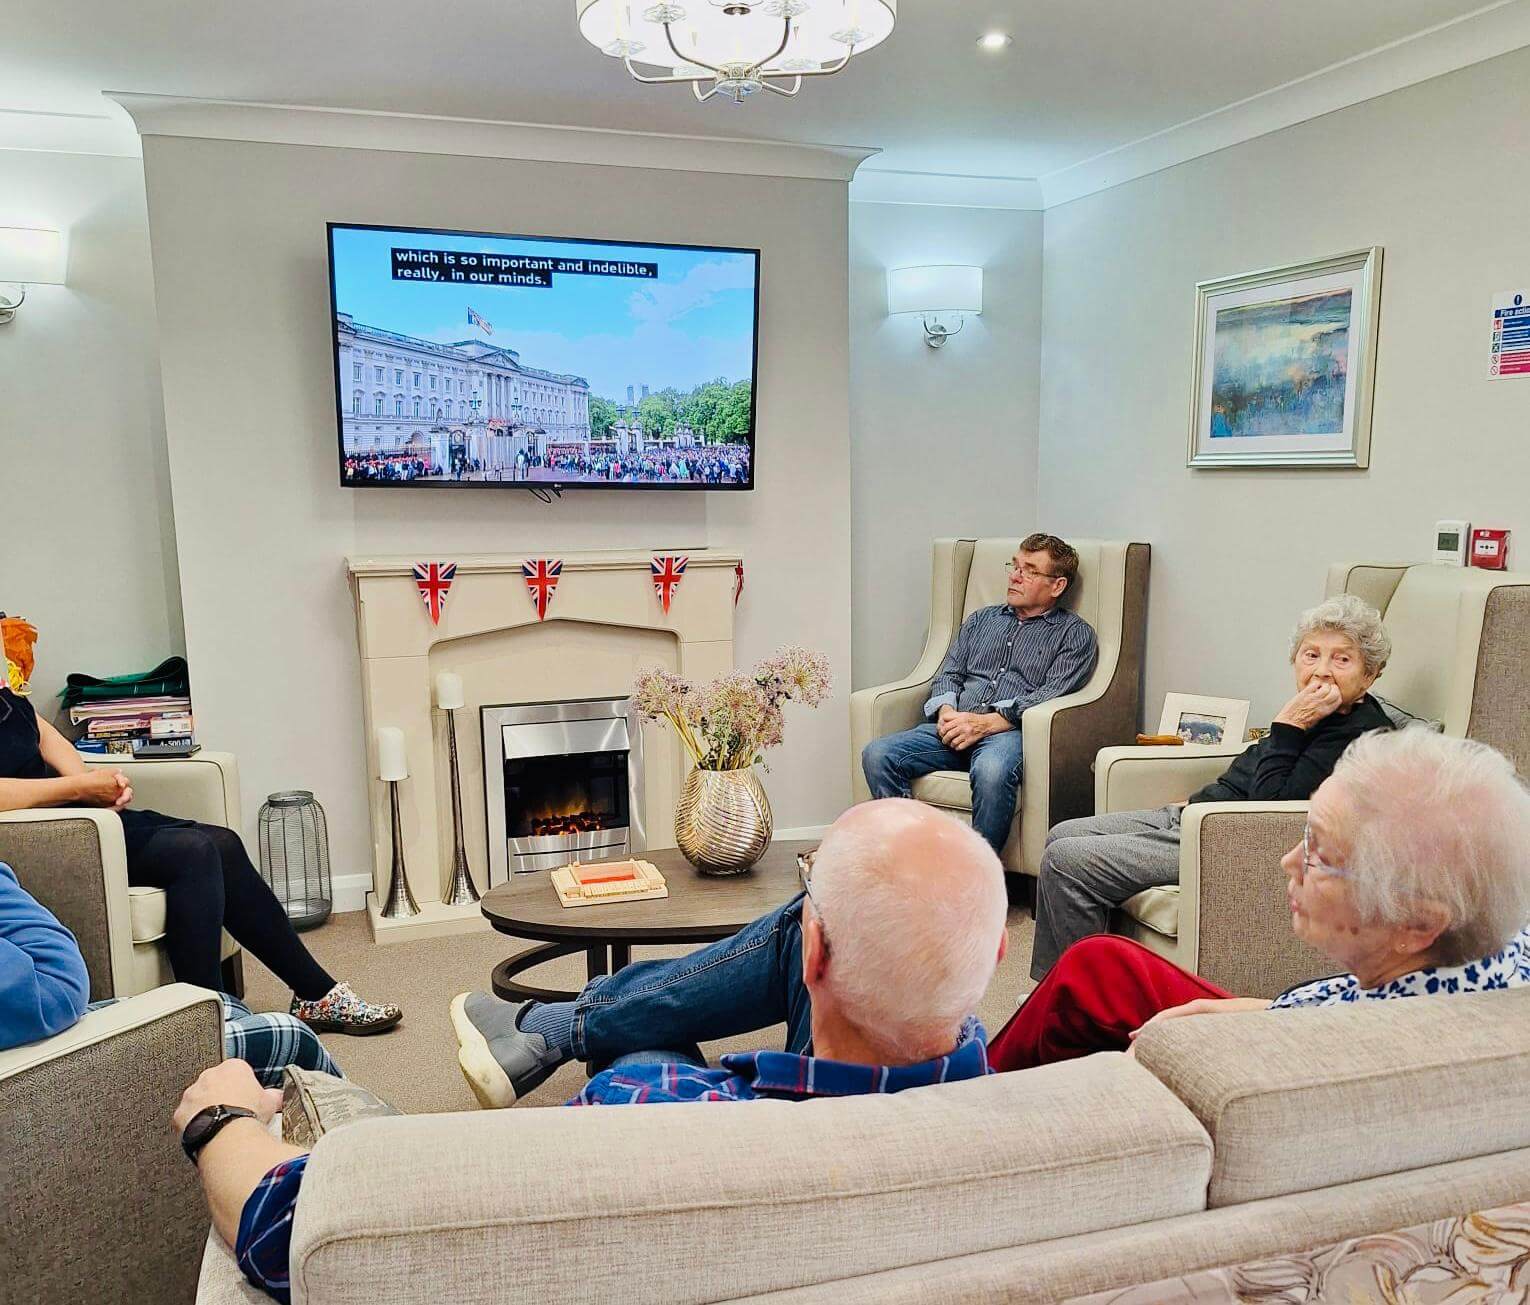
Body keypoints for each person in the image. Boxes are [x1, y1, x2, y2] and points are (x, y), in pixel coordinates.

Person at [174, 799, 1009, 1303]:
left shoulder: (647, 1117)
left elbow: (296, 1231)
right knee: (676, 1036)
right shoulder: (1030, 1123)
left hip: (681, 1115)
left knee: (644, 1059)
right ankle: (558, 1026)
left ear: (813, 959)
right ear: (997, 956)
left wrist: (223, 1115)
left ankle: (555, 1028)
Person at [989, 727, 1530, 1070]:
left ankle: (971, 1097)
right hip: (1284, 1016)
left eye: (1318, 852)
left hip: (1256, 1051)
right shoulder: (1499, 948)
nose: (1288, 863)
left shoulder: (1335, 1057)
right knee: (1103, 964)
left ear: (1416, 922)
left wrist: (1241, 1032)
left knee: (1091, 972)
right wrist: (1266, 1007)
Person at [0, 625, 400, 1035]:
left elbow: (49, 739)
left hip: (82, 817)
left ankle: (317, 995)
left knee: (222, 843)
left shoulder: (5, 690)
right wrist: (77, 788)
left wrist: (91, 784)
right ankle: (203, 1019)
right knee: (193, 852)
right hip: (44, 836)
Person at [1030, 593, 1394, 979]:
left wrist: (1288, 727)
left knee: (1068, 861)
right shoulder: (1313, 712)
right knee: (1062, 834)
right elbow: (1254, 772)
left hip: (1222, 838)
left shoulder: (1353, 735)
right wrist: (1195, 800)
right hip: (1194, 815)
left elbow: (1269, 812)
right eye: (1311, 655)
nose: (1322, 671)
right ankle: (1053, 986)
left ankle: (1079, 1002)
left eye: (1342, 659)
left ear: (1369, 674)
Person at [0, 857, 339, 1084]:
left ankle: (315, 994)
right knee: (290, 1038)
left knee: (223, 1005)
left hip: (26, 1021)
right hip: (28, 1058)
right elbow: (57, 988)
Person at [860, 533, 1098, 856]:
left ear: (1057, 586)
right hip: (954, 727)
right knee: (878, 754)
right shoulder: (981, 620)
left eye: (1029, 570)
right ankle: (914, 854)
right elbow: (949, 673)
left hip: (1008, 735)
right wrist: (946, 713)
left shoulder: (1075, 635)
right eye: (1014, 565)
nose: (1015, 575)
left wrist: (985, 724)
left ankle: (974, 874)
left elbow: (1050, 695)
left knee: (992, 771)